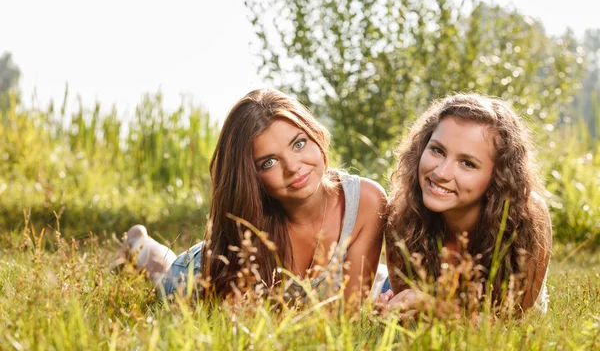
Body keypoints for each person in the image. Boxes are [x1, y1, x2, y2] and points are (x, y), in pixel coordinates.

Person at [112, 88, 386, 303]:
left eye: (299, 144)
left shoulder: (366, 201)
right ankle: (139, 243)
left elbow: (348, 314)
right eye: (269, 162)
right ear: (251, 178)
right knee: (165, 278)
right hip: (204, 271)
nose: (293, 166)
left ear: (316, 136)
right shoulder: (254, 227)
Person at [382, 93, 552, 317]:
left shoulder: (528, 219)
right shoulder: (402, 211)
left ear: (498, 176)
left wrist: (436, 308)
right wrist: (396, 308)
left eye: (467, 163)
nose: (441, 173)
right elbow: (409, 313)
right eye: (437, 150)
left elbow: (511, 324)